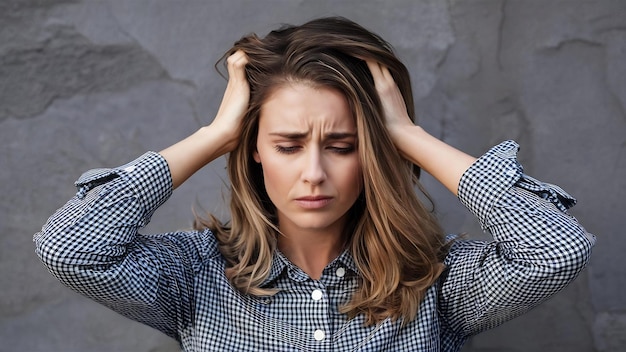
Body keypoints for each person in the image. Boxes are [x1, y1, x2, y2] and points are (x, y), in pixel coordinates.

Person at [34, 17, 595, 351]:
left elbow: (555, 251)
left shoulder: (437, 285)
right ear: (253, 149)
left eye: (343, 146)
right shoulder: (195, 276)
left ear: (373, 155)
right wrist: (213, 134)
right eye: (288, 144)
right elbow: (72, 249)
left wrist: (404, 131)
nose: (314, 173)